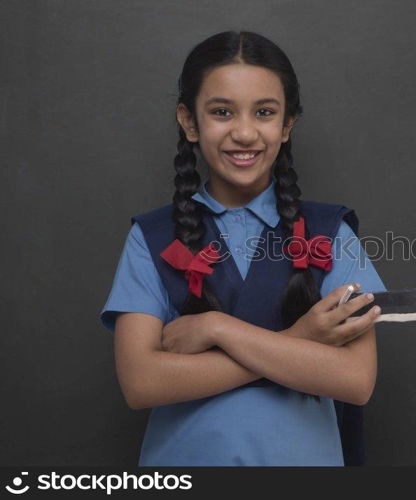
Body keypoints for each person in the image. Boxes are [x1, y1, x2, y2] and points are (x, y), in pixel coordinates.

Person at [99, 30, 387, 466]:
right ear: (190, 121)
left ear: (287, 124)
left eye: (265, 112)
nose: (245, 132)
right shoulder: (151, 237)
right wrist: (299, 341)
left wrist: (219, 328)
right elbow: (142, 383)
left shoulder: (332, 232)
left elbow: (355, 379)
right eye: (222, 112)